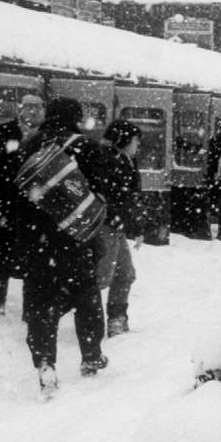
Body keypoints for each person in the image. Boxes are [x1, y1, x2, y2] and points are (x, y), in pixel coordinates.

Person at [16, 98, 111, 397]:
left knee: (40, 303)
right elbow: (101, 190)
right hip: (75, 237)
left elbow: (16, 196)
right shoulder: (87, 147)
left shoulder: (30, 146)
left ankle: (45, 362)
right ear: (75, 118)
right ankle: (91, 355)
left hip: (39, 240)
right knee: (86, 295)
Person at [0, 91, 45, 314]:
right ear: (19, 109)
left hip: (36, 207)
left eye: (37, 107)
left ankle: (29, 304)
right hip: (6, 203)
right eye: (28, 106)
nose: (32, 111)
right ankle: (0, 298)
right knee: (2, 253)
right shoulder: (1, 133)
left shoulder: (48, 137)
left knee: (34, 257)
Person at [90, 119, 144, 336]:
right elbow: (126, 199)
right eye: (135, 141)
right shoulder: (116, 162)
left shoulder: (113, 159)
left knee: (124, 273)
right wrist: (138, 227)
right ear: (124, 140)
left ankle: (117, 318)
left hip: (112, 226)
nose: (137, 146)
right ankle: (55, 311)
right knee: (103, 277)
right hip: (108, 226)